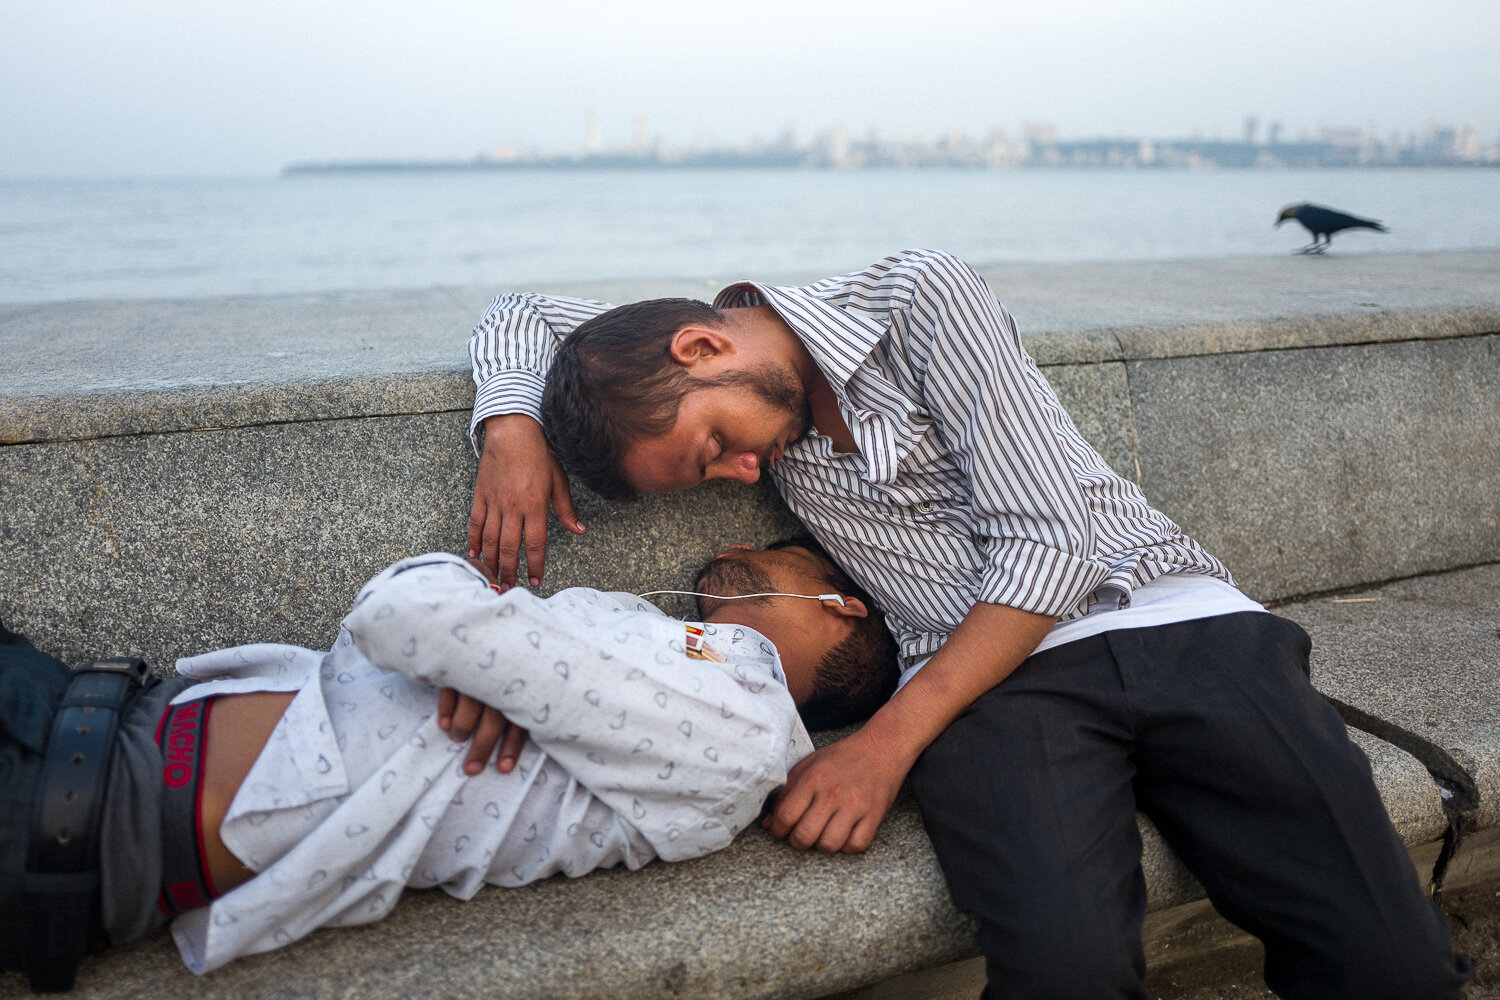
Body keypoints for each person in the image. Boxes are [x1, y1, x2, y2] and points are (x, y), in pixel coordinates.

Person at [463, 248, 1469, 999]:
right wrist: (510, 423)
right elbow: (522, 309)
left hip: (1177, 618)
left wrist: (881, 747)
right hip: (990, 687)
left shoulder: (917, 297)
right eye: (714, 468)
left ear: (703, 345)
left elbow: (1052, 546)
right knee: (1064, 976)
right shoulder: (745, 402)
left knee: (1397, 964)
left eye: (716, 442)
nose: (740, 473)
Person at [2, 543, 898, 989]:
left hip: (87, 808)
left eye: (781, 550)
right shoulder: (678, 650)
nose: (744, 552)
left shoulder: (739, 721)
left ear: (840, 602)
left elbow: (410, 610)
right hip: (93, 718)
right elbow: (441, 618)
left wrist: (478, 639)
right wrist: (484, 651)